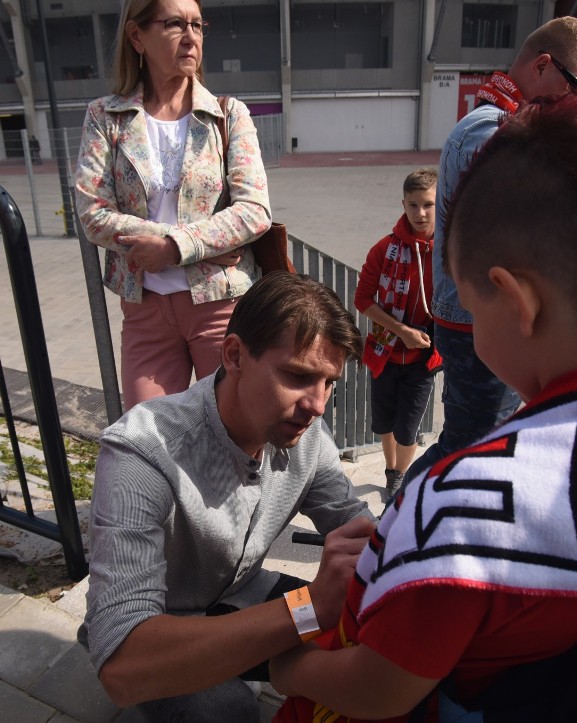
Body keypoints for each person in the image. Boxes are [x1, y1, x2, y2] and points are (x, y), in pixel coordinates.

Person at [266, 95, 577, 722]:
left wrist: (285, 661)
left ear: (516, 300)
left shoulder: (463, 505)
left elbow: (378, 688)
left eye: (473, 310)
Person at [81, 271, 377, 721]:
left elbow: (353, 522)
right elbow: (122, 666)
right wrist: (310, 608)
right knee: (230, 711)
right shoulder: (141, 452)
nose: (317, 404)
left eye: (329, 382)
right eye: (298, 376)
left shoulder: (305, 432)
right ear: (235, 354)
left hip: (244, 595)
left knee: (367, 634)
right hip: (162, 629)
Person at [404, 16, 577, 483]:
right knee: (471, 444)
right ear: (543, 65)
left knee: (473, 440)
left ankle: (398, 529)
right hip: (482, 321)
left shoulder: (500, 121)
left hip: (477, 317)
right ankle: (395, 532)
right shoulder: (495, 130)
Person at [75, 0, 271, 411]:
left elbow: (254, 211)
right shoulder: (106, 117)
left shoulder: (227, 116)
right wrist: (175, 242)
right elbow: (93, 213)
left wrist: (178, 247)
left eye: (198, 25)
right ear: (136, 36)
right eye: (175, 24)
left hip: (221, 306)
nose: (191, 36)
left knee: (233, 435)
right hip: (145, 310)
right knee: (148, 439)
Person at [354, 168, 442, 500]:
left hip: (425, 355)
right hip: (386, 351)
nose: (421, 213)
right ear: (403, 204)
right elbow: (362, 299)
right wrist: (401, 331)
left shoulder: (450, 250)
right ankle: (391, 471)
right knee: (385, 422)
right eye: (414, 205)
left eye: (429, 205)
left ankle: (401, 476)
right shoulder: (384, 249)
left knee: (409, 428)